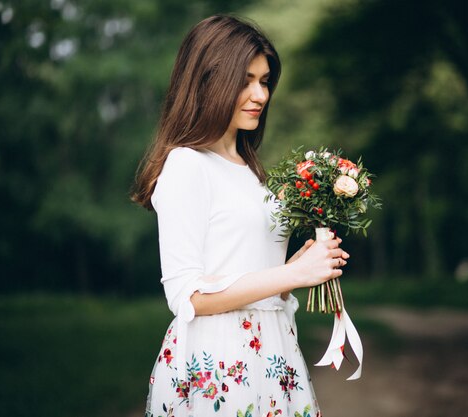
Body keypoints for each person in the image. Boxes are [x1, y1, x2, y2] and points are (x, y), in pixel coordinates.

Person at [131, 14, 349, 417]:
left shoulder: (251, 172)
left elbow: (254, 275)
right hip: (220, 365)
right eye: (246, 80)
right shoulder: (186, 164)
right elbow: (187, 295)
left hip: (275, 353)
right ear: (209, 80)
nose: (261, 95)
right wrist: (292, 275)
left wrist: (296, 269)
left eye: (264, 81)